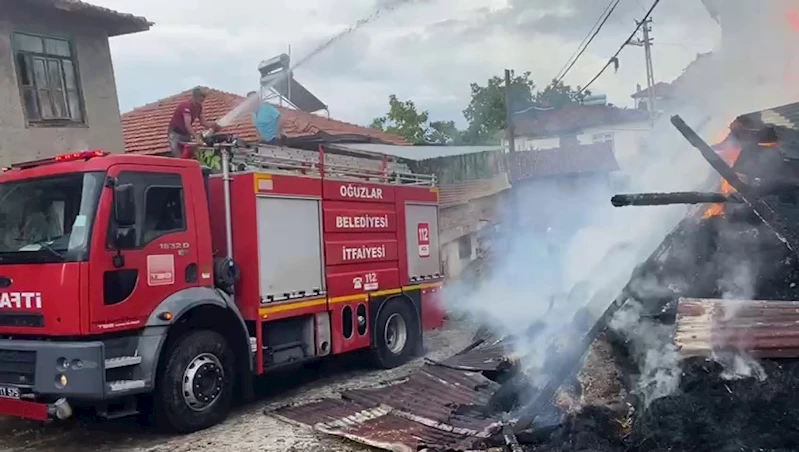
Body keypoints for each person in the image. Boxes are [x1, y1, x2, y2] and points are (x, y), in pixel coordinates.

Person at [167, 87, 220, 158]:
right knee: (179, 157)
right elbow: (187, 125)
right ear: (194, 97)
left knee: (189, 156)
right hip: (175, 134)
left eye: (202, 100)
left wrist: (212, 126)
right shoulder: (186, 106)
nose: (200, 103)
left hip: (186, 134)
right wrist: (197, 137)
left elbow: (202, 122)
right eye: (199, 100)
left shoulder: (199, 107)